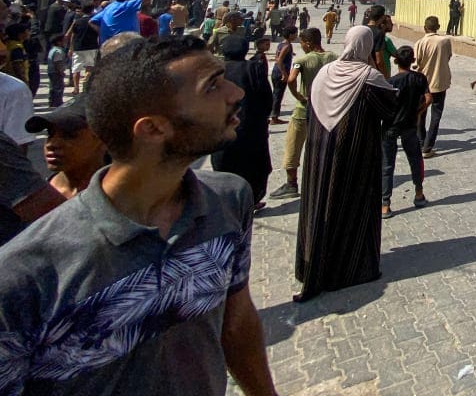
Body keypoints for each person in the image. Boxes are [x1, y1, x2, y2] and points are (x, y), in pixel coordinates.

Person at [0, 36, 279, 395]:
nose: (236, 93)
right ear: (152, 129)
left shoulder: (227, 200)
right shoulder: (25, 274)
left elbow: (236, 324)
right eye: (212, 86)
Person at [294, 26, 397, 302]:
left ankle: (311, 264)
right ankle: (349, 269)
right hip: (354, 155)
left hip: (319, 152)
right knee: (351, 207)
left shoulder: (324, 73)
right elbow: (391, 108)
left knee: (320, 204)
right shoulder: (368, 77)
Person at [272, 28, 336, 199]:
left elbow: (291, 79)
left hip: (303, 110)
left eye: (301, 43)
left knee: (293, 146)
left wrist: (299, 96)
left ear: (308, 43)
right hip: (326, 111)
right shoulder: (334, 58)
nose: (301, 46)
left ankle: (291, 183)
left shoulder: (301, 60)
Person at [210, 36, 273, 207]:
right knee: (253, 165)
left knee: (224, 164)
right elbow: (267, 99)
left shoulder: (215, 71)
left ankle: (226, 201)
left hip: (222, 128)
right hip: (251, 128)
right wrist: (262, 119)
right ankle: (250, 201)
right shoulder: (254, 68)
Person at [25, 99, 108, 200]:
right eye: (50, 134)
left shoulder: (118, 199)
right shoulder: (30, 196)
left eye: (69, 135)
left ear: (102, 139)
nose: (51, 144)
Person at [382, 46, 429, 218]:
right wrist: (418, 112)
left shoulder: (390, 82)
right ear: (413, 61)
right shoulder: (419, 78)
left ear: (395, 61)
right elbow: (429, 98)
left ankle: (385, 204)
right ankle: (419, 194)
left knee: (387, 165)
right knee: (415, 160)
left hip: (390, 126)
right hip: (410, 125)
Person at [412, 16, 453, 157]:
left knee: (421, 113)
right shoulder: (445, 41)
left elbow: (415, 64)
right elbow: (448, 57)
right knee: (436, 115)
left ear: (425, 28)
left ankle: (421, 141)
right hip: (440, 82)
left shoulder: (420, 43)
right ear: (438, 27)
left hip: (422, 84)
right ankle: (428, 146)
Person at [88, 0, 158, 46]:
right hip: (125, 47)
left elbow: (91, 21)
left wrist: (104, 34)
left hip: (107, 46)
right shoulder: (127, 6)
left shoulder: (110, 7)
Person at [65, 2, 99, 94]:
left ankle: (76, 88)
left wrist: (71, 48)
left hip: (78, 47)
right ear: (92, 10)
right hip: (91, 47)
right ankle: (86, 85)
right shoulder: (94, 21)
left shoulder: (77, 21)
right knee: (89, 67)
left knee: (76, 69)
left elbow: (71, 35)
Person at [270, 26, 297, 125]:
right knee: (278, 95)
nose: (296, 35)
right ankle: (274, 118)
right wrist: (284, 74)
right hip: (280, 72)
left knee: (276, 94)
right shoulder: (287, 46)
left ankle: (273, 115)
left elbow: (277, 57)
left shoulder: (281, 44)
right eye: (295, 34)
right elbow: (280, 60)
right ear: (290, 35)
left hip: (276, 71)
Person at [46, 33, 67, 108]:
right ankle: (58, 102)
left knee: (52, 86)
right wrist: (61, 72)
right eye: (63, 40)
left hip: (51, 71)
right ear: (58, 42)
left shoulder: (52, 50)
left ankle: (52, 102)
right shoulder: (58, 51)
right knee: (59, 87)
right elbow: (57, 63)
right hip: (56, 72)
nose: (65, 42)